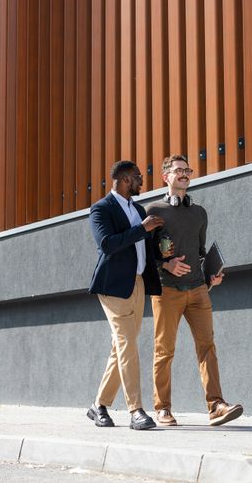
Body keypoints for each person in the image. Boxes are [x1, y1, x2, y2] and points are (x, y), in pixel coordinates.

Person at [145, 154, 243, 427]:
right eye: (178, 170)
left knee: (207, 347)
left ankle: (216, 406)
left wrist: (211, 274)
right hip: (166, 291)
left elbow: (200, 252)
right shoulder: (153, 211)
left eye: (187, 170)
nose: (185, 174)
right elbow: (143, 256)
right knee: (164, 351)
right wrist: (167, 264)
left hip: (199, 290)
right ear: (166, 177)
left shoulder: (199, 213)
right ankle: (162, 408)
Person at [87, 160, 166, 430]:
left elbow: (144, 249)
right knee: (127, 345)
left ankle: (98, 405)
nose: (141, 181)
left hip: (138, 284)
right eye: (137, 177)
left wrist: (164, 256)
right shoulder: (101, 209)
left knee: (122, 346)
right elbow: (107, 244)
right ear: (123, 180)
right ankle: (136, 411)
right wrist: (142, 229)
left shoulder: (138, 209)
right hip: (114, 286)